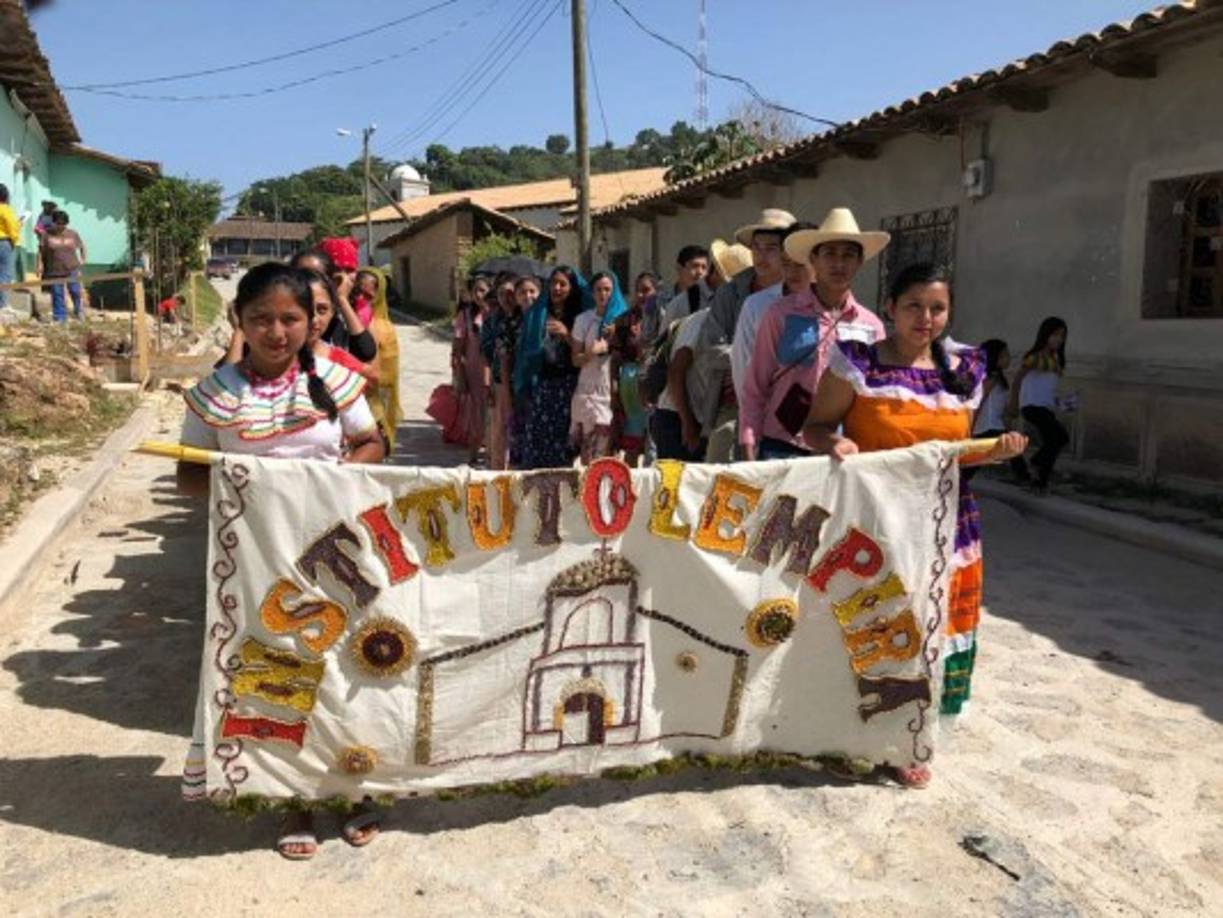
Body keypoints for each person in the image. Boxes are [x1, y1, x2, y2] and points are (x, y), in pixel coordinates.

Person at [176, 263, 384, 859]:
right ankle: (292, 797)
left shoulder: (335, 381)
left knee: (345, 670)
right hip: (256, 559)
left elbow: (373, 442)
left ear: (310, 321)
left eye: (290, 317)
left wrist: (339, 477)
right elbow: (190, 474)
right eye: (261, 318)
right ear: (238, 319)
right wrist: (246, 481)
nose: (276, 331)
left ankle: (350, 786)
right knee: (275, 676)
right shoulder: (214, 396)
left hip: (335, 557)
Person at [805, 263, 1027, 786]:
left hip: (947, 526)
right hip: (875, 524)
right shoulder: (857, 363)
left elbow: (957, 453)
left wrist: (995, 451)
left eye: (937, 308)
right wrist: (836, 442)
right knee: (871, 625)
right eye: (913, 306)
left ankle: (907, 739)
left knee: (933, 630)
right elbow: (814, 427)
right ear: (890, 309)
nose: (925, 318)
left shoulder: (966, 369)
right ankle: (847, 733)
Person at [740, 209, 889, 460]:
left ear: (860, 261)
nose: (838, 264)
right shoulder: (780, 314)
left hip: (839, 450)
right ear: (814, 259)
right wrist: (748, 442)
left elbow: (874, 395)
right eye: (829, 253)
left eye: (848, 255)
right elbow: (756, 384)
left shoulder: (871, 326)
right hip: (780, 445)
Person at [731, 222, 817, 402]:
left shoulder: (838, 310)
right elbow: (742, 365)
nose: (793, 272)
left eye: (801, 264)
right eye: (787, 263)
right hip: (767, 418)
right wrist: (752, 419)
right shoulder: (757, 305)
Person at [514, 266, 586, 469]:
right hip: (544, 385)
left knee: (564, 441)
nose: (557, 288)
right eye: (553, 283)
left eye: (563, 284)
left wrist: (566, 334)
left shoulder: (580, 316)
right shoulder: (539, 313)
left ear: (571, 288)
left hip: (570, 386)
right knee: (536, 438)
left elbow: (586, 353)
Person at [570, 271, 628, 461]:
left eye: (607, 289)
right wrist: (591, 353)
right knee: (589, 454)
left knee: (610, 455)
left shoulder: (623, 320)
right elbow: (575, 359)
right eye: (599, 290)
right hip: (589, 391)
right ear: (592, 293)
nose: (603, 294)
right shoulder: (583, 320)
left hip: (615, 391)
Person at [1008, 317, 1070, 494]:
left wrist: (1062, 403)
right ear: (1045, 335)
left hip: (1045, 407)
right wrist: (1013, 403)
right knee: (1056, 439)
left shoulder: (1055, 360)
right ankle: (1039, 477)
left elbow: (1048, 389)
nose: (1058, 339)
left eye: (1062, 336)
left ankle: (1039, 472)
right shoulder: (1035, 357)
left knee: (1058, 439)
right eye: (1055, 334)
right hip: (1032, 406)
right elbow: (1018, 378)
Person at [290, 248, 377, 363]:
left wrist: (341, 299)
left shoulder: (336, 320)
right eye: (302, 277)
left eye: (316, 277)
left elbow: (366, 352)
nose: (310, 283)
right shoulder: (284, 315)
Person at [358, 267, 402, 455]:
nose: (362, 299)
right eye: (358, 292)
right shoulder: (342, 321)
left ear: (379, 293)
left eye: (368, 295)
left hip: (372, 399)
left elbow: (389, 377)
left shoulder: (384, 327)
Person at [497, 275, 537, 469]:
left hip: (546, 388)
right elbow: (505, 360)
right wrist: (506, 392)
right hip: (519, 388)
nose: (528, 296)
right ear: (517, 297)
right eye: (522, 292)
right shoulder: (510, 323)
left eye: (532, 291)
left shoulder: (548, 319)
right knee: (518, 439)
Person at [452, 275, 489, 466]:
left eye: (483, 290)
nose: (480, 294)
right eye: (476, 290)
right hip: (474, 370)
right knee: (477, 412)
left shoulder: (499, 314)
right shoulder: (465, 315)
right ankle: (473, 455)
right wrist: (459, 371)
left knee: (495, 413)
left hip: (496, 370)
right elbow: (458, 346)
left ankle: (492, 452)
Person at [37, 210, 87, 322]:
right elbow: (40, 251)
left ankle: (78, 310)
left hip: (72, 268)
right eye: (58, 223)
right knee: (57, 293)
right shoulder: (46, 234)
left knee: (75, 290)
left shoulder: (73, 234)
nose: (61, 226)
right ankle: (60, 317)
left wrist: (83, 260)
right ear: (53, 222)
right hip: (54, 270)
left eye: (63, 224)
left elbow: (82, 246)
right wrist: (39, 265)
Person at [0, 184, 19, 311]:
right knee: (5, 274)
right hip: (3, 242)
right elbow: (12, 227)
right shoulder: (5, 208)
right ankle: (3, 304)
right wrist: (15, 240)